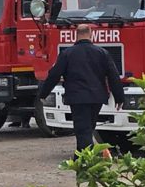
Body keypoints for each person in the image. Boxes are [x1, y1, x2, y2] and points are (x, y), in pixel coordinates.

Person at [38, 23, 127, 152]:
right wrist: (119, 97)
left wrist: (43, 94)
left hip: (77, 98)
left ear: (76, 35)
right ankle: (81, 158)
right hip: (97, 98)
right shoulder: (102, 53)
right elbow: (113, 76)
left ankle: (86, 160)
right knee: (89, 128)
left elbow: (54, 75)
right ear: (91, 34)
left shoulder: (67, 54)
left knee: (82, 130)